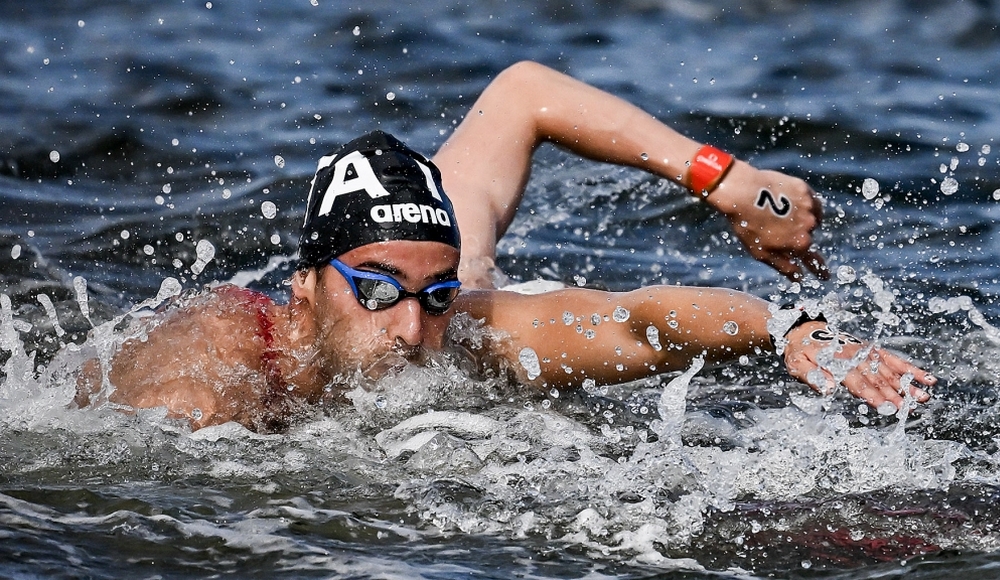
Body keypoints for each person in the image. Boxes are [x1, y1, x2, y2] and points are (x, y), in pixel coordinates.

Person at [75, 131, 934, 433]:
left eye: (432, 297)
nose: (412, 332)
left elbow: (638, 321)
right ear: (306, 285)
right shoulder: (213, 368)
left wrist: (793, 329)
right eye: (375, 290)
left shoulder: (465, 317)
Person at [431, 61, 828, 288]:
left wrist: (732, 182)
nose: (412, 327)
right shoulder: (447, 274)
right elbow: (524, 94)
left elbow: (525, 95)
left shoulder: (424, 247)